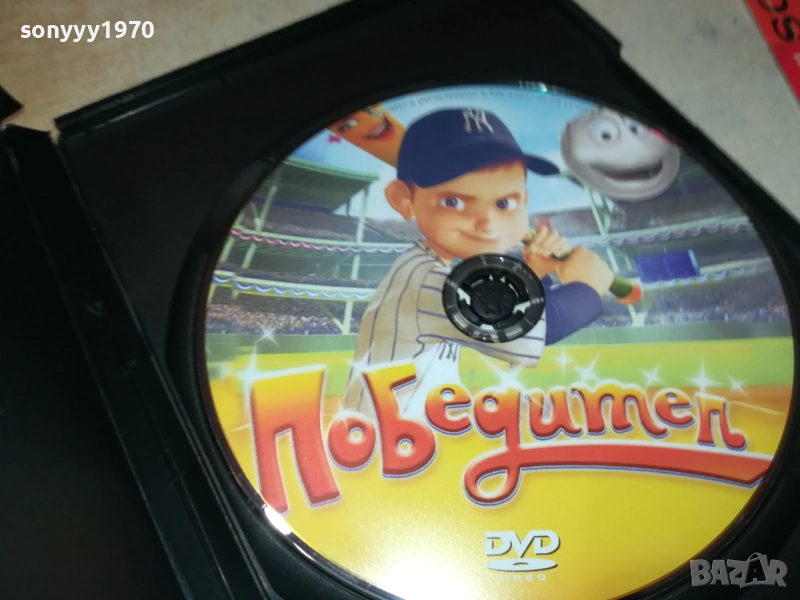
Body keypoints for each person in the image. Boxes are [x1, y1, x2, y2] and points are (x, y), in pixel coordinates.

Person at [343, 108, 613, 417]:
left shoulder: (429, 264)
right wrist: (586, 287)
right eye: (453, 202)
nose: (486, 223)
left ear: (523, 202)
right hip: (379, 439)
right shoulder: (427, 278)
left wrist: (535, 272)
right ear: (404, 201)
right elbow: (531, 329)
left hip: (409, 431)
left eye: (504, 203)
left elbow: (502, 307)